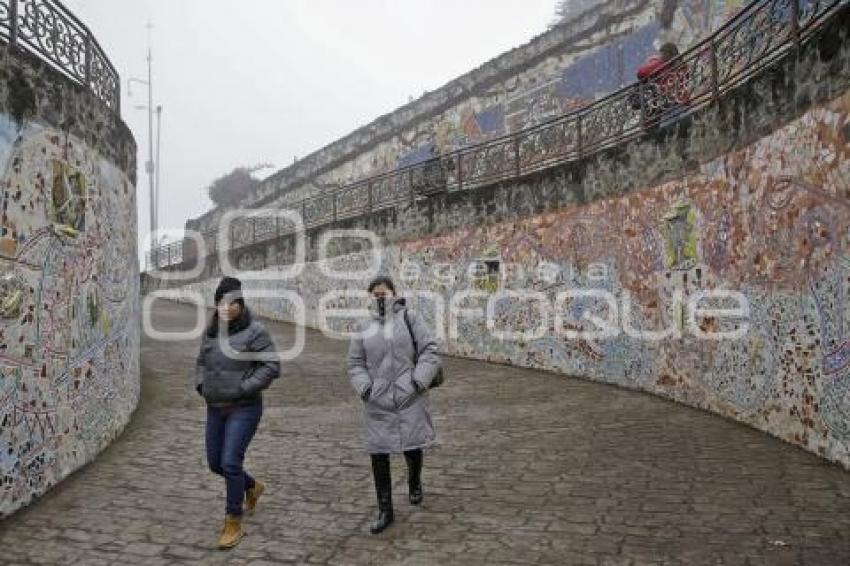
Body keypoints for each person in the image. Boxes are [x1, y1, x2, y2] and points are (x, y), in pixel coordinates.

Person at [347, 276, 441, 534]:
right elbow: (355, 363)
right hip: (377, 400)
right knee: (378, 454)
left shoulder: (411, 319)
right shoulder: (363, 326)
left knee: (412, 446)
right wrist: (366, 388)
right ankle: (385, 509)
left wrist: (418, 382)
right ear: (369, 296)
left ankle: (414, 480)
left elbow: (429, 351)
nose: (380, 297)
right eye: (375, 294)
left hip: (409, 396)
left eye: (384, 293)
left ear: (394, 293)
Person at [195, 276, 280, 549]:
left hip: (244, 407)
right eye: (223, 301)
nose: (228, 307)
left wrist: (244, 387)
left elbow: (271, 366)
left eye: (234, 302)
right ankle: (252, 486)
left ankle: (233, 522)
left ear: (241, 304)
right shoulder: (210, 332)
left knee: (230, 461)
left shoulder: (256, 331)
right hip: (215, 407)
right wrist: (201, 384)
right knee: (215, 463)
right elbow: (201, 363)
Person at [636, 43, 689, 128]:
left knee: (669, 130)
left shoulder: (661, 65)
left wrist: (655, 61)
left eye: (661, 54)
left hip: (669, 105)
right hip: (684, 103)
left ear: (666, 54)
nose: (660, 56)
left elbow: (641, 72)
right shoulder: (682, 64)